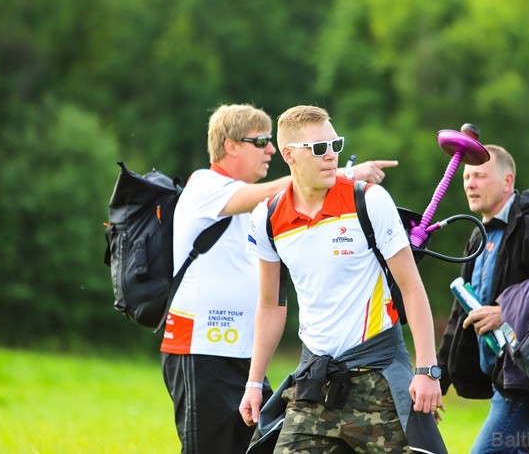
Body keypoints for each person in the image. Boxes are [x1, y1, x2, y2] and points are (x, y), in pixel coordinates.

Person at [160, 103, 398, 454]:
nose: (270, 149)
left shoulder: (263, 211)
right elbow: (275, 189)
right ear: (231, 146)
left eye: (272, 141)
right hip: (200, 349)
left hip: (241, 350)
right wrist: (345, 173)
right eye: (261, 142)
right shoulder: (205, 185)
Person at [240, 105, 447, 453]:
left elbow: (412, 289)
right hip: (315, 384)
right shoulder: (267, 217)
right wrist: (254, 382)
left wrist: (427, 369)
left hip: (379, 377)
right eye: (319, 148)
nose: (331, 155)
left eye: (335, 144)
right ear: (289, 155)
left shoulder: (369, 200)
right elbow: (270, 305)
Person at [437, 145, 529, 453]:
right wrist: (437, 381)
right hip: (501, 378)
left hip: (528, 378)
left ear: (507, 182)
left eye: (479, 175)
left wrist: (505, 312)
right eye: (466, 176)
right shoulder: (478, 235)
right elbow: (458, 314)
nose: (470, 183)